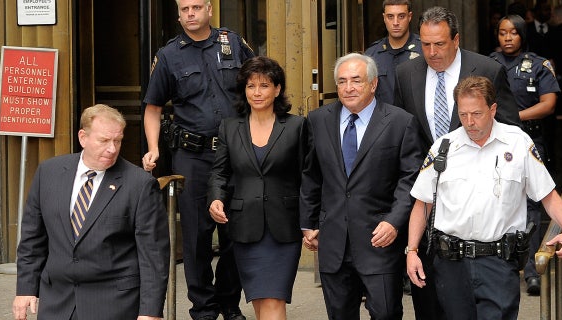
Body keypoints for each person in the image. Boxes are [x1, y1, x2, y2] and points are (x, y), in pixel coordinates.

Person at [406, 76, 562, 320]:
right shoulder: (444, 147)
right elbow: (423, 202)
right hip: (451, 263)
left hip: (498, 261)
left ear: (493, 109)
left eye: (476, 114)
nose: (469, 122)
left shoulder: (517, 143)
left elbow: (546, 194)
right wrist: (411, 250)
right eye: (463, 114)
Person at [392, 6, 521, 319]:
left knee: (475, 300)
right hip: (427, 197)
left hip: (477, 202)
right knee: (429, 296)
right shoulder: (406, 73)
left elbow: (509, 131)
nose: (432, 52)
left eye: (440, 44)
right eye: (425, 44)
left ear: (456, 39)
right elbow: (402, 134)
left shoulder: (486, 69)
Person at [142, 0, 255, 319]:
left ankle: (229, 303)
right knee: (196, 238)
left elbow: (259, 83)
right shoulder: (168, 55)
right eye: (184, 9)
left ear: (208, 10)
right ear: (178, 15)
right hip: (192, 155)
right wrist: (154, 148)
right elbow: (153, 107)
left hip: (236, 153)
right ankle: (204, 308)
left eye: (196, 7)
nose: (190, 14)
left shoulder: (232, 42)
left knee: (237, 232)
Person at [12, 104, 170, 320]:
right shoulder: (48, 173)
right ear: (83, 137)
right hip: (57, 301)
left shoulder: (139, 184)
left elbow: (154, 255)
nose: (112, 148)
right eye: (104, 140)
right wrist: (26, 288)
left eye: (118, 140)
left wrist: (150, 312)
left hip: (114, 304)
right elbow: (32, 238)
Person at [300, 53, 420, 319]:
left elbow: (409, 179)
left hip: (378, 240)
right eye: (342, 81)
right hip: (333, 242)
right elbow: (312, 175)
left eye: (356, 80)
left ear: (373, 84)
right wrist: (308, 223)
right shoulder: (318, 120)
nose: (348, 88)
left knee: (386, 313)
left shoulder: (400, 122)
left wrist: (394, 221)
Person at [207, 56, 308, 320]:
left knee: (274, 299)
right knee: (260, 300)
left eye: (264, 85)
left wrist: (311, 221)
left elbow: (307, 178)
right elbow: (220, 171)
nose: (257, 92)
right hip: (245, 227)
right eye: (251, 86)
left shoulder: (296, 126)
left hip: (284, 227)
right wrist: (216, 199)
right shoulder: (230, 127)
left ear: (277, 89)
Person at [489, 14, 561, 296]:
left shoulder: (539, 64)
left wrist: (512, 117)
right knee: (496, 199)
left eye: (513, 33)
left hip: (529, 139)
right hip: (493, 141)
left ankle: (531, 270)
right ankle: (498, 267)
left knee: (532, 205)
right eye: (503, 32)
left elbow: (548, 104)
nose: (507, 38)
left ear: (522, 35)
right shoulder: (486, 63)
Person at [364, 0, 422, 104]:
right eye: (390, 16)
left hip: (415, 119)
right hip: (382, 118)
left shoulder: (424, 49)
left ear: (409, 16)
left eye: (401, 16)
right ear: (384, 18)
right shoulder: (372, 54)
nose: (395, 23)